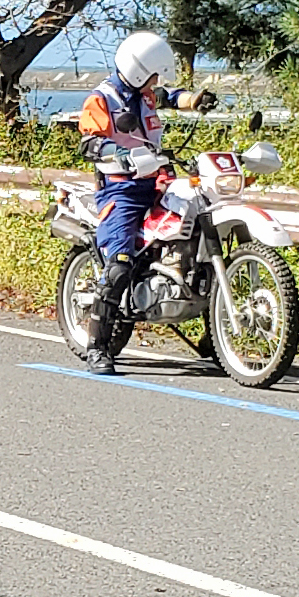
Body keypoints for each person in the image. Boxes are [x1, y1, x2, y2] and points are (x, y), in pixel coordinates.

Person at [67, 31, 183, 374]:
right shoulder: (101, 99)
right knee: (119, 262)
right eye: (152, 75)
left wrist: (195, 100)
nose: (156, 83)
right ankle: (98, 347)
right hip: (122, 189)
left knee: (192, 228)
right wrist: (118, 153)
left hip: (158, 180)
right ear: (137, 71)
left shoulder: (147, 96)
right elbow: (89, 142)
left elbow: (170, 96)